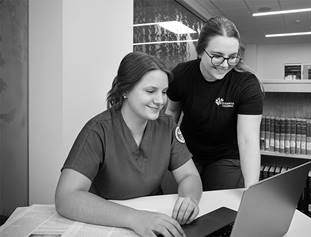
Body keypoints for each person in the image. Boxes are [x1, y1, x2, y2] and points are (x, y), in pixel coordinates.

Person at [55, 52, 202, 237]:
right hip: (108, 222)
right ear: (125, 90)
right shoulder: (98, 130)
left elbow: (189, 175)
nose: (160, 101)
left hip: (155, 221)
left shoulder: (167, 126)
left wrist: (189, 199)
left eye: (164, 92)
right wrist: (136, 219)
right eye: (150, 91)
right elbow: (66, 197)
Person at [166, 16, 264, 191]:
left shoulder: (247, 84)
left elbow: (248, 140)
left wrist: (251, 191)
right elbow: (170, 115)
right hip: (187, 152)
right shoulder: (182, 74)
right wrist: (164, 153)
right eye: (217, 56)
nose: (225, 65)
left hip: (226, 156)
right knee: (179, 202)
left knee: (222, 205)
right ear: (200, 51)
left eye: (233, 57)